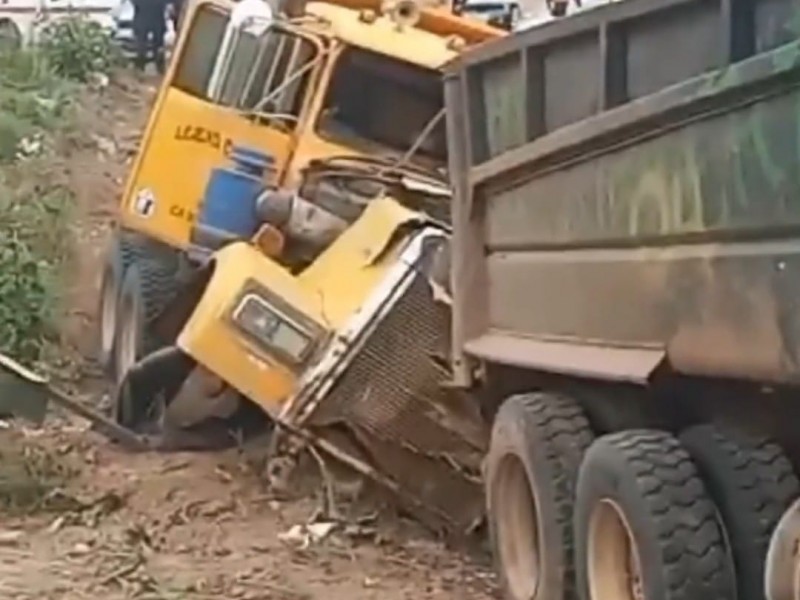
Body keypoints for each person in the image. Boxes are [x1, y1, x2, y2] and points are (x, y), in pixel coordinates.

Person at [132, 0, 169, 74]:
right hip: (156, 18)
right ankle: (158, 66)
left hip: (144, 18)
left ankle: (142, 65)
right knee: (157, 44)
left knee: (143, 44)